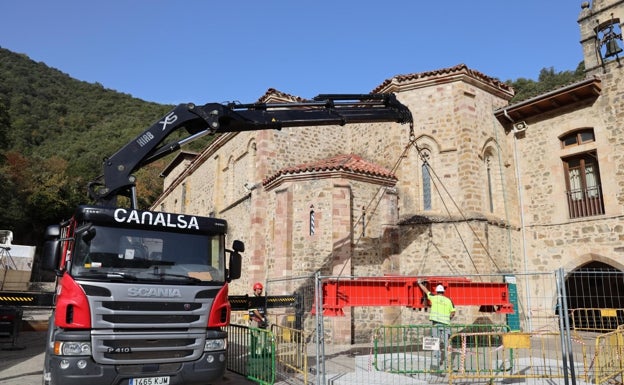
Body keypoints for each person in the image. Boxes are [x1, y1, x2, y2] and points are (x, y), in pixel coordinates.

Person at [417, 280, 455, 368]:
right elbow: (453, 312)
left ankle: (436, 363)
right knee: (447, 344)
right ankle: (448, 364)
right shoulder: (449, 300)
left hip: (436, 324)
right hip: (446, 324)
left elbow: (426, 291)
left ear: (437, 292)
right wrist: (448, 318)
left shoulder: (434, 297)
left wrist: (419, 283)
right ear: (443, 292)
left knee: (435, 343)